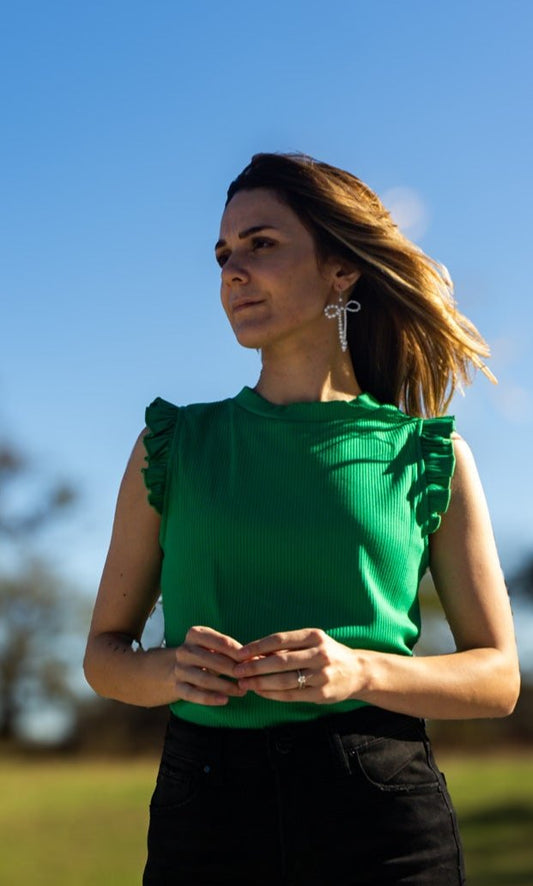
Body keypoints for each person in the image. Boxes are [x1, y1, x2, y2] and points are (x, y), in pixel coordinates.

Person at [84, 152, 520, 885]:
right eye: (222, 255)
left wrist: (357, 670)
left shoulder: (427, 454)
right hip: (206, 808)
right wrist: (170, 670)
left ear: (341, 270)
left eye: (260, 244)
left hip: (380, 813)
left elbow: (497, 677)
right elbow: (104, 655)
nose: (231, 272)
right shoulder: (174, 445)